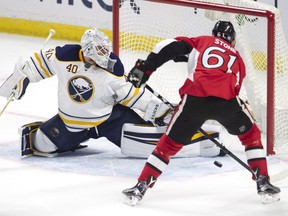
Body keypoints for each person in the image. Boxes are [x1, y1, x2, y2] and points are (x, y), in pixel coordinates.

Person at [122, 20, 281, 205]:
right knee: (251, 135)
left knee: (168, 145)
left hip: (194, 101)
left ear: (214, 33)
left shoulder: (201, 42)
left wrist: (146, 68)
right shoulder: (237, 57)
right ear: (233, 40)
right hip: (226, 102)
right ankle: (263, 182)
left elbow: (166, 46)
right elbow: (235, 87)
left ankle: (140, 186)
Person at [0, 28, 222, 159]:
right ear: (85, 52)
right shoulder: (64, 55)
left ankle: (202, 140)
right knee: (41, 145)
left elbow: (133, 95)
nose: (103, 59)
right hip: (72, 125)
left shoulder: (112, 69)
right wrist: (20, 79)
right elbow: (35, 64)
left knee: (152, 150)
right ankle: (58, 132)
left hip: (110, 120)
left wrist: (161, 110)